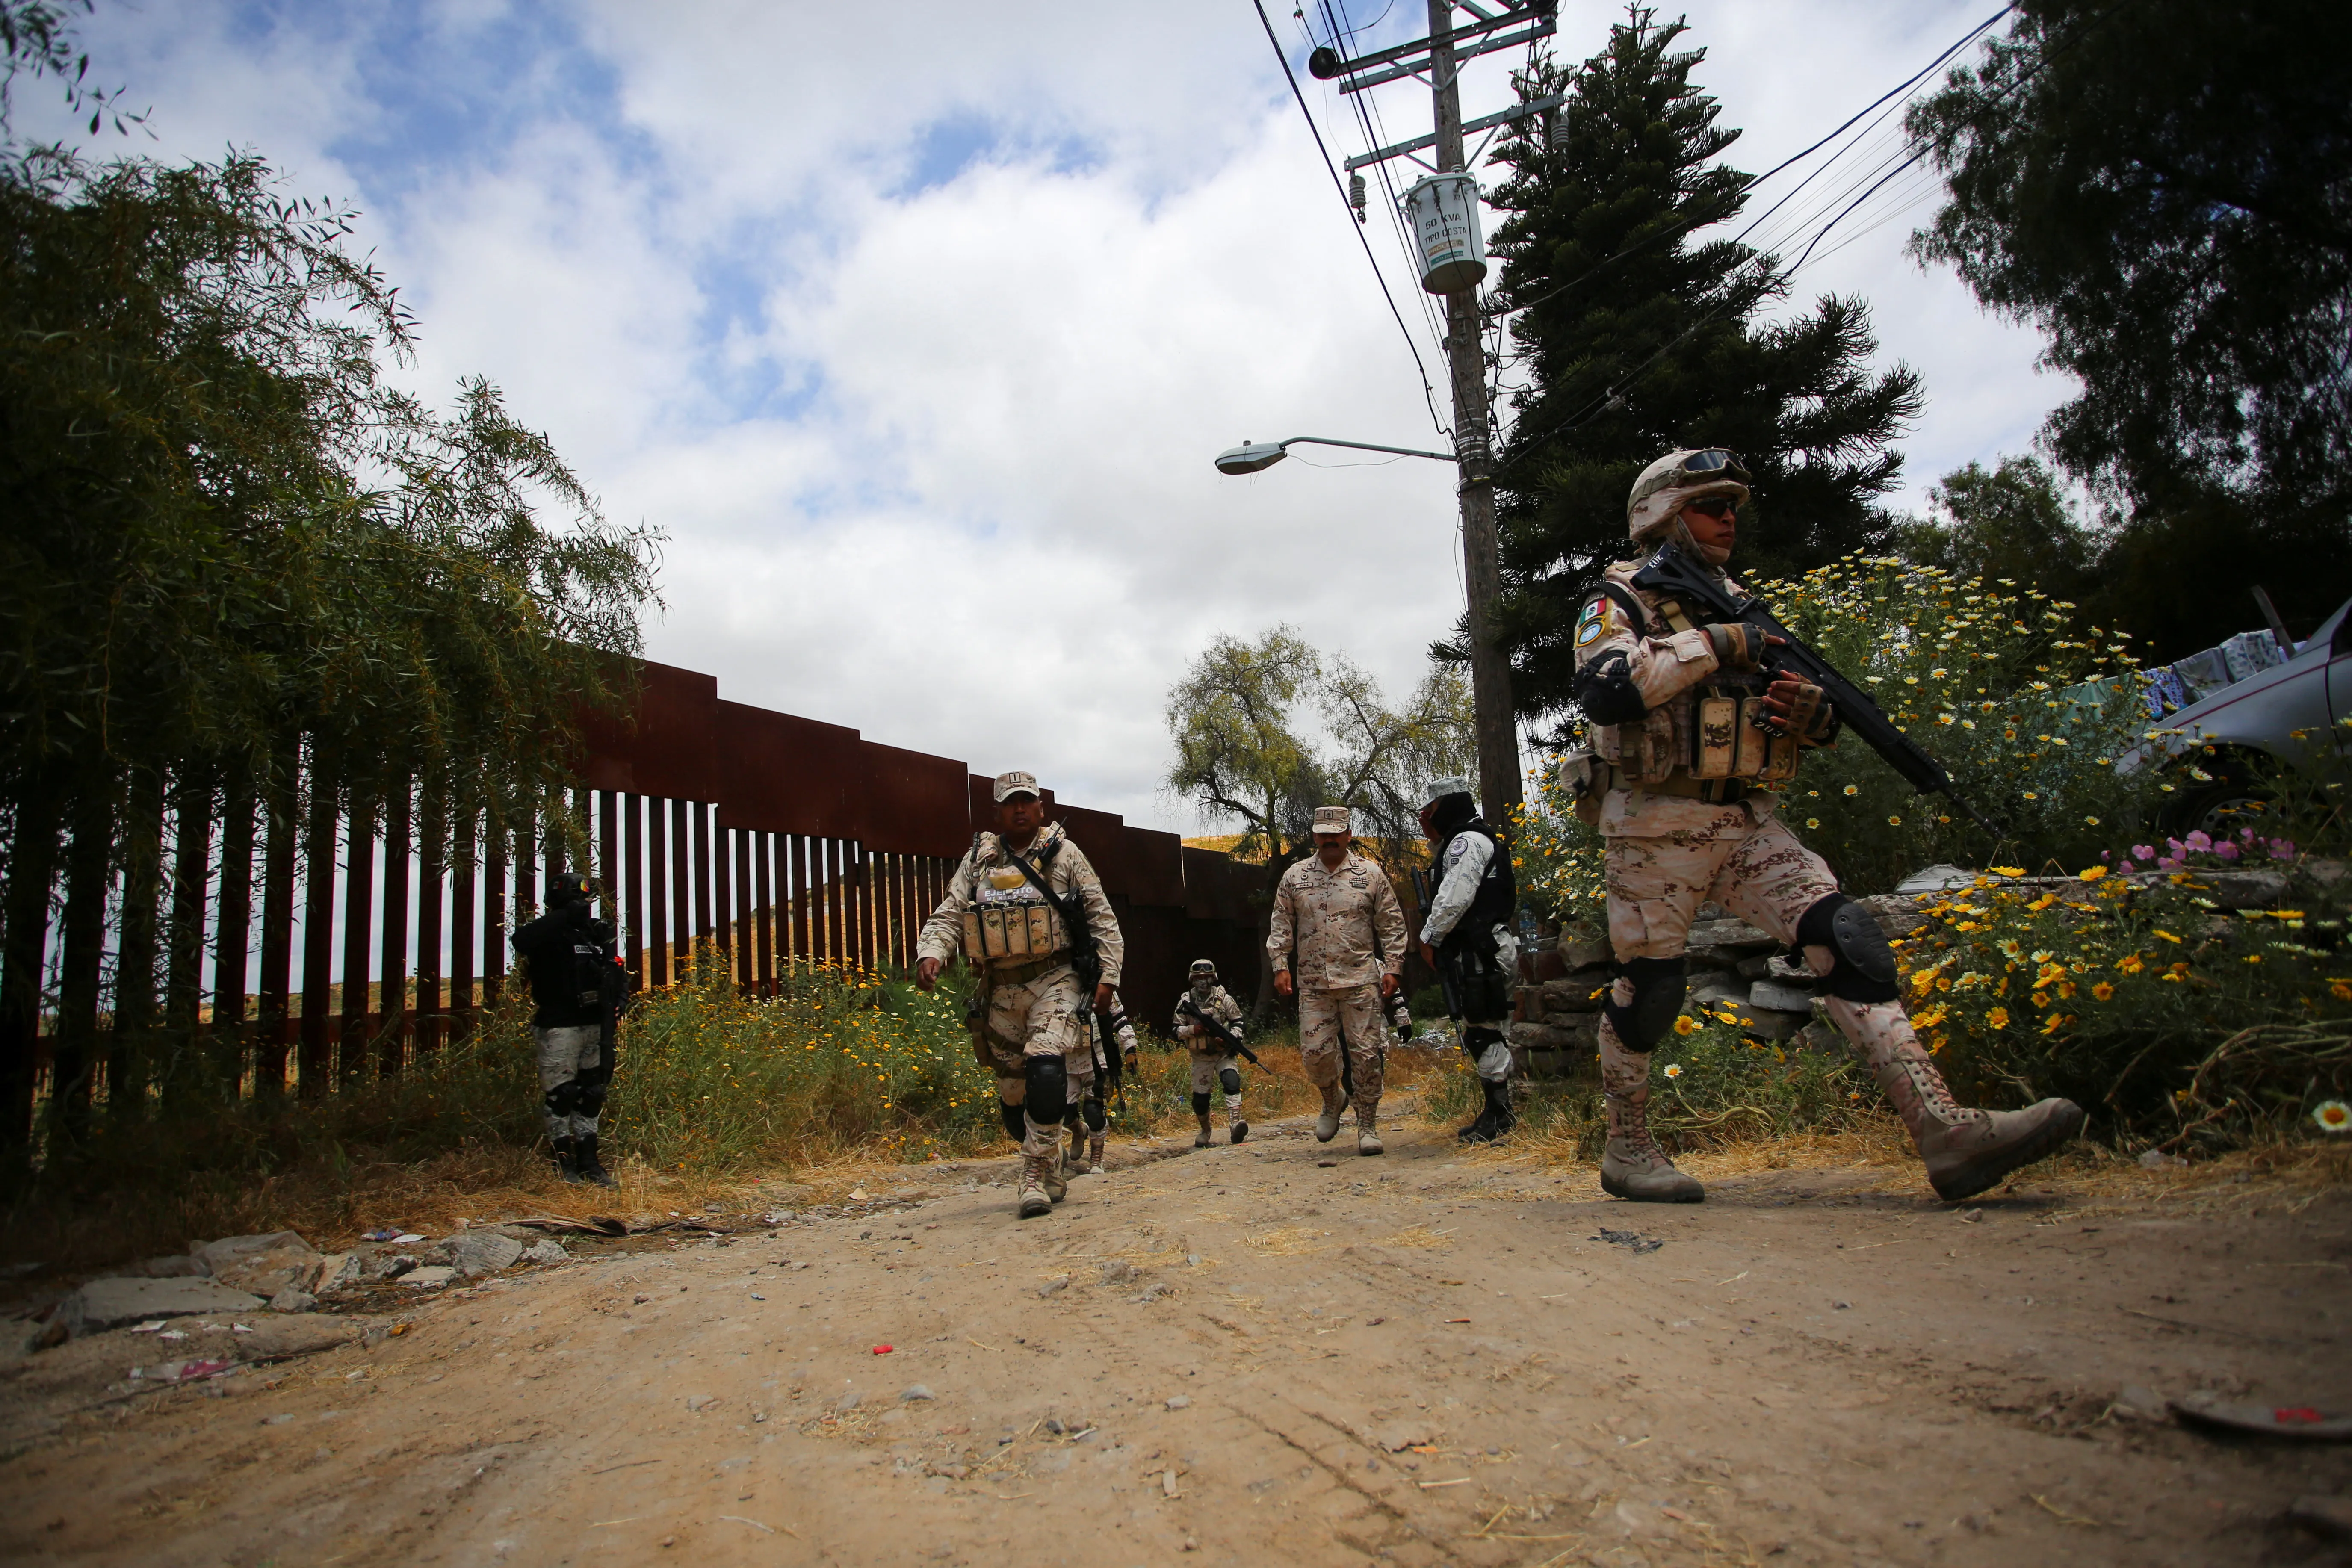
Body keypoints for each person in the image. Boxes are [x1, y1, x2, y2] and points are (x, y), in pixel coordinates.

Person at [1570, 447, 2085, 1203]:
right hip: (1654, 825)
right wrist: (1713, 645)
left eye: (1734, 507)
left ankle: (1944, 1129)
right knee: (1650, 991)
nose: (1728, 519)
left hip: (1747, 822)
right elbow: (1606, 690)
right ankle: (1628, 1147)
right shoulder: (1617, 601)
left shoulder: (1740, 603)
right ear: (1662, 515)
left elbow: (1791, 708)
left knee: (1846, 935)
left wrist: (1809, 716)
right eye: (1710, 505)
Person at [916, 771, 1125, 1219]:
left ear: (1040, 807)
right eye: (1011, 802)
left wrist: (1109, 977)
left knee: (1047, 1069)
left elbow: (1102, 917)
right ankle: (1048, 1161)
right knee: (1015, 1103)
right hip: (1002, 991)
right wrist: (931, 952)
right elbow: (951, 911)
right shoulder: (980, 860)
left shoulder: (1065, 855)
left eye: (1027, 800)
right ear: (998, 812)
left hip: (1057, 979)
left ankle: (1031, 1175)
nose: (1020, 809)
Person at [1269, 805, 1407, 1156]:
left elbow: (1391, 923)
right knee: (1315, 1055)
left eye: (1337, 832)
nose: (1330, 839)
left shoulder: (1370, 875)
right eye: (1323, 833)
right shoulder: (1295, 877)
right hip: (1314, 984)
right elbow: (1281, 923)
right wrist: (1279, 964)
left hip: (1361, 981)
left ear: (1348, 834)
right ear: (1315, 836)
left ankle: (1368, 1124)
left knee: (1367, 1056)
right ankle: (1333, 1099)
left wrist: (1393, 967)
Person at [1415, 777, 1521, 1143]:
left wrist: (1429, 938)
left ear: (1448, 806)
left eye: (1430, 811)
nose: (1424, 819)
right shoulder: (1462, 840)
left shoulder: (1465, 842)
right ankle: (1496, 1111)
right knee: (1484, 1029)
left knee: (1485, 1031)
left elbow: (1454, 900)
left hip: (1485, 953)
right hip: (1480, 952)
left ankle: (1501, 1114)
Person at [509, 871, 630, 1187]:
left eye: (586, 899)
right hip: (559, 1023)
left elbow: (616, 969)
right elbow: (520, 940)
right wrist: (563, 916)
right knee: (563, 1094)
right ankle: (562, 1161)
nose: (584, 905)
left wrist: (621, 998)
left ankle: (590, 1161)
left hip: (595, 1024)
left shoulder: (593, 934)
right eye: (578, 899)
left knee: (593, 1092)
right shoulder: (548, 933)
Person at [1170, 958, 1249, 1148]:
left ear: (1213, 978)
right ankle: (1206, 1130)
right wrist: (1191, 1030)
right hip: (1200, 1058)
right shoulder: (1185, 1002)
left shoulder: (1224, 999)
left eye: (1207, 977)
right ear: (1192, 979)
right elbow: (1175, 1030)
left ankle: (1235, 1123)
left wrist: (1231, 1038)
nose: (1203, 981)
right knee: (1200, 1101)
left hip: (1223, 1054)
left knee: (1232, 1081)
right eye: (1199, 978)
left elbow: (1238, 1022)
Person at [1067, 995, 1141, 1176]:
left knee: (1094, 1110)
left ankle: (1097, 1159)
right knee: (1064, 1112)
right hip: (1067, 1058)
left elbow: (1120, 1019)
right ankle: (1078, 1131)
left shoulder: (1101, 988)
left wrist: (1130, 1049)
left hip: (1097, 1056)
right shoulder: (1057, 984)